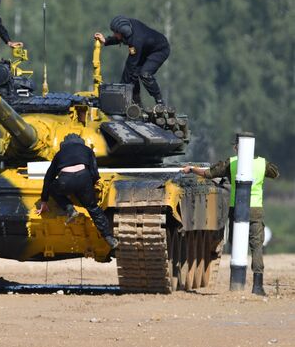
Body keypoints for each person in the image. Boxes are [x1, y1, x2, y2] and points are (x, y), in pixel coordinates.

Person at [181, 134, 279, 296]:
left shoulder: (232, 162)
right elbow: (275, 173)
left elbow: (209, 174)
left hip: (237, 209)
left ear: (236, 147)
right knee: (257, 247)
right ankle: (257, 286)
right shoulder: (262, 163)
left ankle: (236, 283)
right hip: (255, 210)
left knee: (236, 243)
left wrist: (191, 169)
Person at [36, 134, 119, 249]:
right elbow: (95, 173)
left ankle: (70, 209)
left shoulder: (59, 154)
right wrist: (90, 184)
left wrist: (44, 200)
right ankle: (109, 238)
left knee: (52, 187)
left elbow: (48, 178)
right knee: (93, 208)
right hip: (83, 179)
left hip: (65, 181)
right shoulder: (87, 150)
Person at [94, 16, 170, 106]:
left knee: (144, 74)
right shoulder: (128, 26)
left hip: (160, 50)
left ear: (123, 33)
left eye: (115, 33)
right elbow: (121, 37)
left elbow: (130, 65)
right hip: (146, 48)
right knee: (134, 74)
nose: (114, 34)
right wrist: (106, 40)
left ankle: (160, 101)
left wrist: (121, 88)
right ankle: (137, 103)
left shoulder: (136, 41)